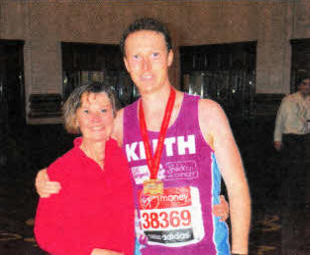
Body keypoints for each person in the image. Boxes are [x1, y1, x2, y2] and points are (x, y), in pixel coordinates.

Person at [36, 18, 250, 254]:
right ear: (127, 63)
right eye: (136, 57)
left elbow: (238, 189)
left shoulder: (207, 113)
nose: (145, 66)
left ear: (169, 57)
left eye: (155, 55)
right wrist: (48, 175)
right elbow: (85, 156)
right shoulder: (119, 122)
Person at [34, 82, 135, 255]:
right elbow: (45, 233)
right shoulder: (60, 170)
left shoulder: (131, 158)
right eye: (87, 111)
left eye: (104, 110)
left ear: (114, 116)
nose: (96, 119)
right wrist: (90, 252)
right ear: (75, 118)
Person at [274, 73, 310, 254]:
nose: (307, 87)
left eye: (309, 85)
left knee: (303, 172)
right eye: (304, 84)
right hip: (290, 139)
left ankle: (300, 201)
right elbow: (280, 119)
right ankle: (287, 201)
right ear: (298, 85)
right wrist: (277, 138)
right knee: (289, 172)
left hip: (305, 139)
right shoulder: (288, 100)